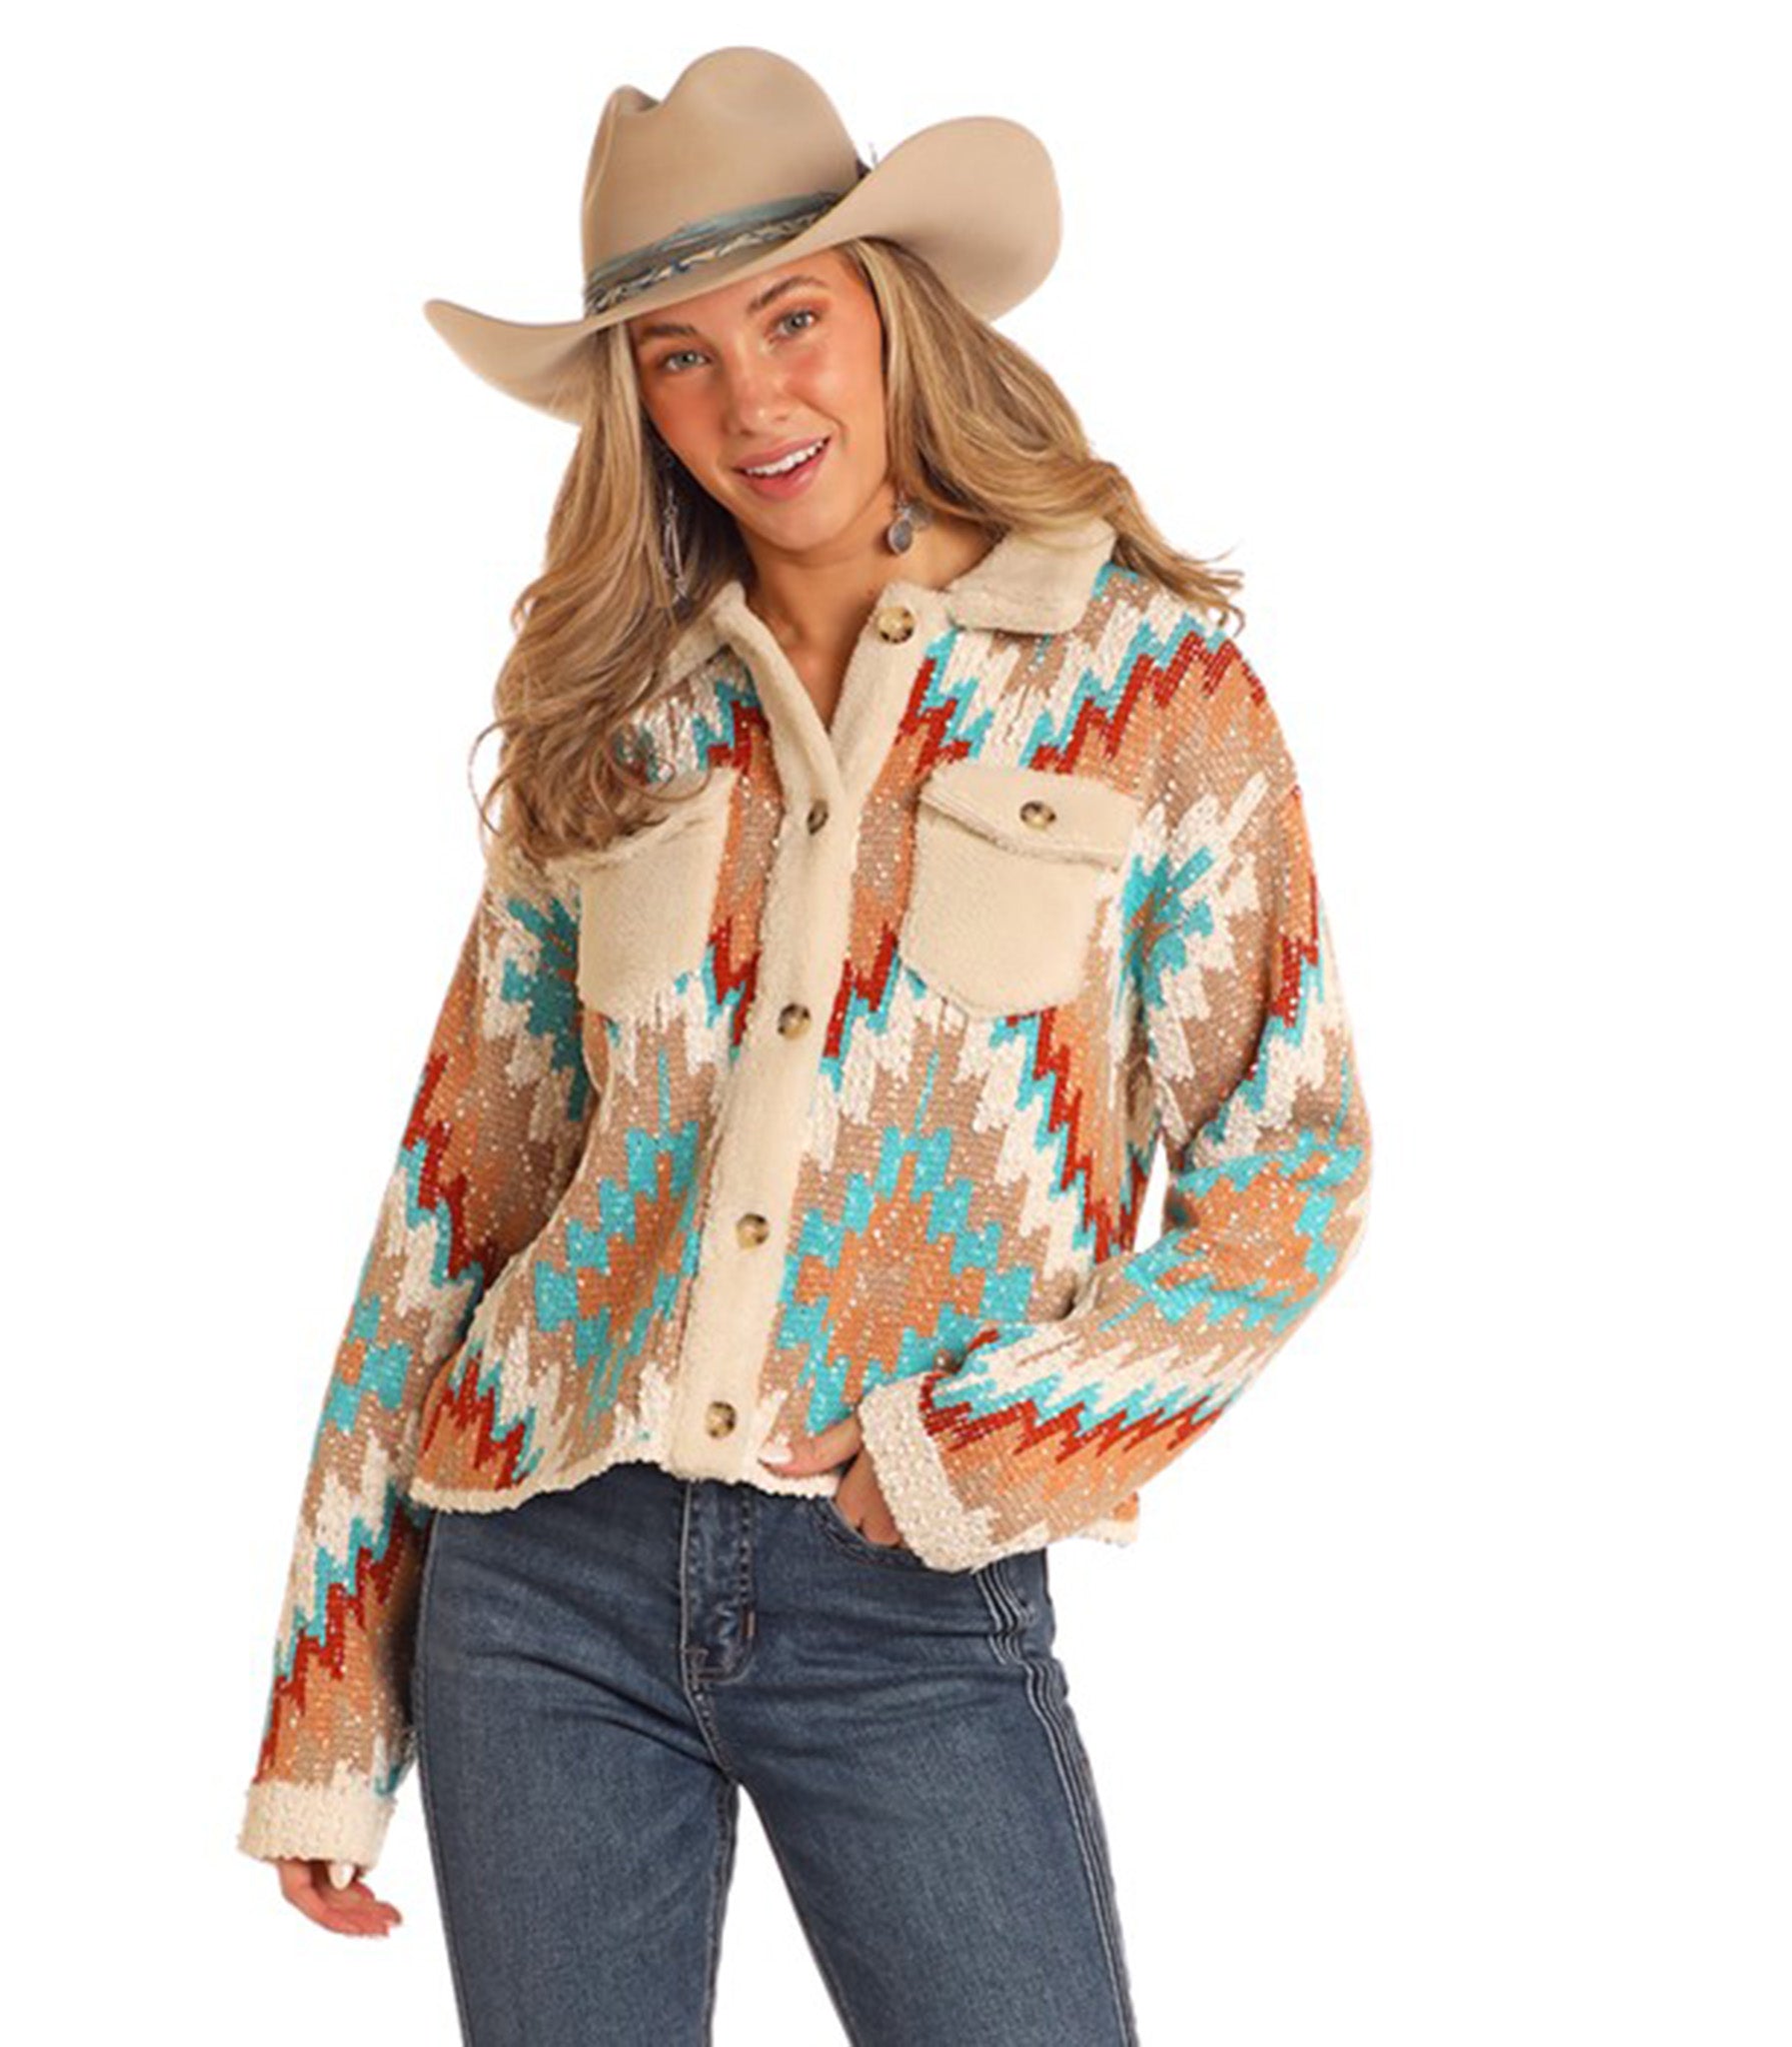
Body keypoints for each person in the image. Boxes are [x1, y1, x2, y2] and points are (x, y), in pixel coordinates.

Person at [236, 44, 1373, 2047]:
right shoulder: (620, 719)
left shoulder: (1149, 687)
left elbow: (1291, 1168)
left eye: (791, 319)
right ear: (634, 401)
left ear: (894, 316)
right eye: (675, 355)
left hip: (908, 1587)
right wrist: (330, 1710)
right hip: (538, 1582)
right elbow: (457, 1203)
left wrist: (979, 1450)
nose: (750, 400)